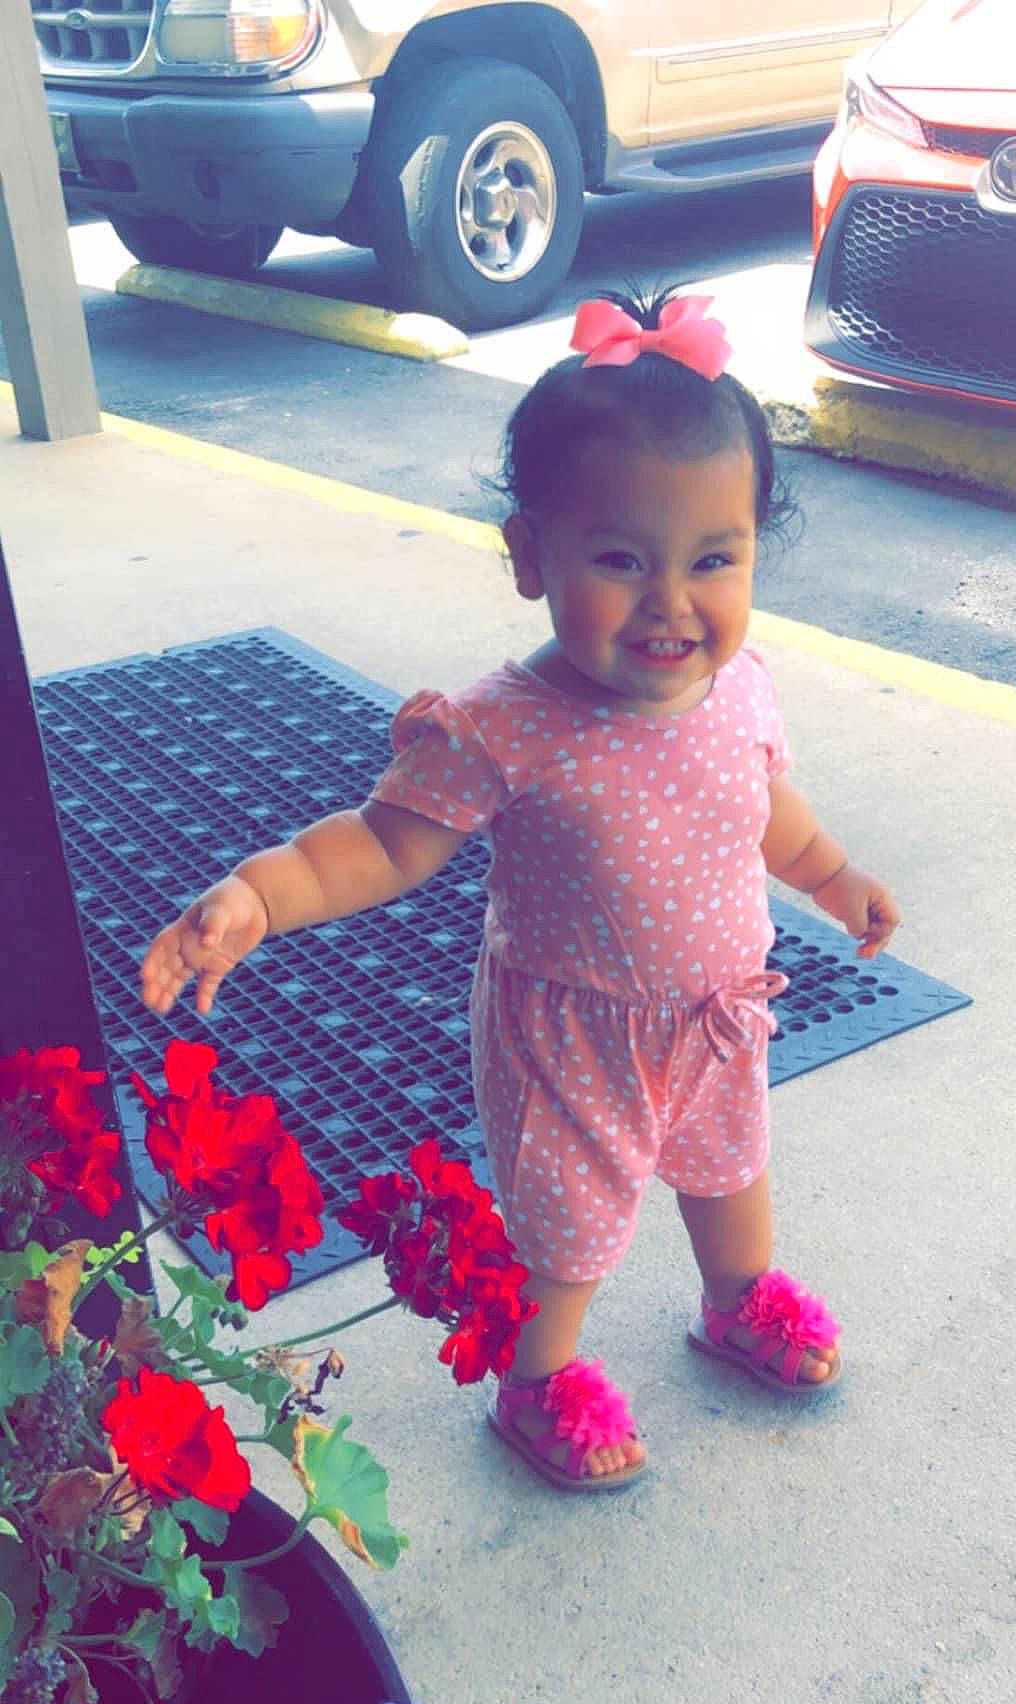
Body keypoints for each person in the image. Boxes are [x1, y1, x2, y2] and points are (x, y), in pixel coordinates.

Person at [141, 286, 900, 1497]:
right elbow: (375, 845)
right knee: (562, 1237)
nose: (672, 600)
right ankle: (536, 1380)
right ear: (529, 554)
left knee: (730, 1172)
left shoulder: (742, 685)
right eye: (619, 559)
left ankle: (735, 1296)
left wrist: (833, 875)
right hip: (568, 1040)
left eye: (713, 559)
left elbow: (765, 809)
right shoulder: (505, 726)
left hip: (717, 1016)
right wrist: (257, 894)